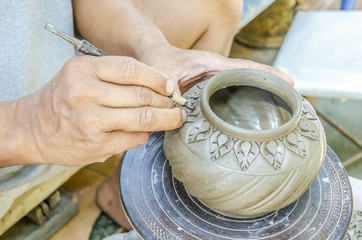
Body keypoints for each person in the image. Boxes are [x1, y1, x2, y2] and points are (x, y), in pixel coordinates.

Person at [0, 0, 293, 236]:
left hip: (50, 64)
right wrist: (30, 126)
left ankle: (120, 196)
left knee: (217, 4)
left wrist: (154, 49)